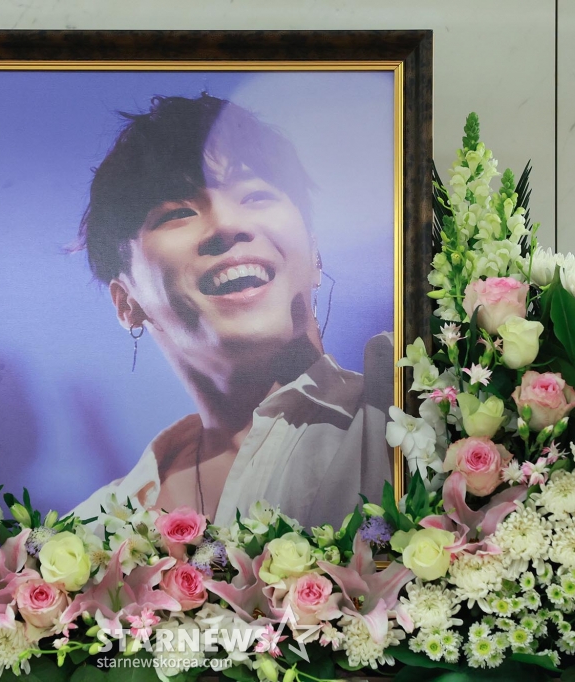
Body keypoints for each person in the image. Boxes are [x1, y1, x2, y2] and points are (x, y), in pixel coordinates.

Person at [71, 94, 393, 530]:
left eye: (256, 196)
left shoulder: (413, 410)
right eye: (178, 212)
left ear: (314, 255)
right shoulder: (89, 533)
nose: (227, 226)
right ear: (127, 303)